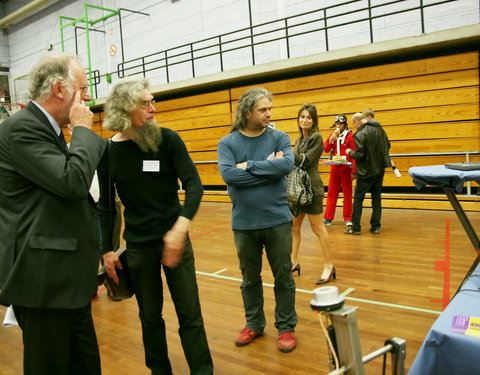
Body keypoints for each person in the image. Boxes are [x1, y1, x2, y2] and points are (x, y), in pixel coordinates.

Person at [97, 77, 213, 375]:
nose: (152, 108)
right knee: (149, 317)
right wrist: (107, 250)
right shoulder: (108, 153)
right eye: (144, 103)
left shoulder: (167, 139)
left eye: (152, 101)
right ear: (125, 109)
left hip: (176, 241)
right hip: (138, 248)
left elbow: (194, 185)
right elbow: (106, 207)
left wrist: (180, 227)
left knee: (190, 315)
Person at [0, 53, 105, 375]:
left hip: (65, 277)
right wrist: (83, 130)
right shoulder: (22, 129)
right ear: (60, 89)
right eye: (83, 88)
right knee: (50, 366)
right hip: (44, 279)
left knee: (84, 364)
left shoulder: (46, 129)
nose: (87, 96)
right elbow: (72, 182)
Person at [218, 87, 298, 353]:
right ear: (247, 111)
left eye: (269, 109)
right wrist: (268, 169)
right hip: (244, 223)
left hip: (277, 220)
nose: (268, 113)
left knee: (283, 276)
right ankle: (254, 323)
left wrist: (249, 165)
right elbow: (230, 176)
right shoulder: (228, 143)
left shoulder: (280, 137)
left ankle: (286, 327)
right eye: (263, 109)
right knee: (249, 278)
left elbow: (286, 166)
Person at [290, 104, 335, 285]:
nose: (305, 120)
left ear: (314, 121)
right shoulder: (299, 139)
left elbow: (304, 162)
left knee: (318, 229)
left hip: (312, 189)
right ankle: (293, 262)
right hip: (298, 190)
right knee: (294, 228)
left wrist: (285, 153)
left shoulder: (317, 138)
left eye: (308, 117)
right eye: (302, 117)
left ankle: (328, 266)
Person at [345, 112, 391, 235]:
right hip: (380, 169)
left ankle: (356, 228)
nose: (355, 127)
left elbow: (359, 154)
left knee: (358, 200)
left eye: (354, 124)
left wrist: (349, 152)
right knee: (376, 199)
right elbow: (388, 145)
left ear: (357, 122)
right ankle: (375, 227)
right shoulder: (380, 129)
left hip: (366, 172)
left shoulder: (360, 134)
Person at [323, 114, 356, 228]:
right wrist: (331, 139)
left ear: (345, 124)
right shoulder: (333, 134)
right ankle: (328, 217)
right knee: (331, 192)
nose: (338, 126)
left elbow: (354, 153)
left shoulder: (350, 136)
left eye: (340, 124)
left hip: (346, 168)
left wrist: (354, 172)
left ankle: (348, 217)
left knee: (347, 194)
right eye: (336, 124)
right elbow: (326, 149)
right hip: (334, 168)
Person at [362, 108, 401, 178]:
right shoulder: (377, 125)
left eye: (364, 117)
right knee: (385, 155)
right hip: (379, 147)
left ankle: (394, 168)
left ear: (368, 117)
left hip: (376, 148)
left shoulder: (371, 125)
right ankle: (394, 168)